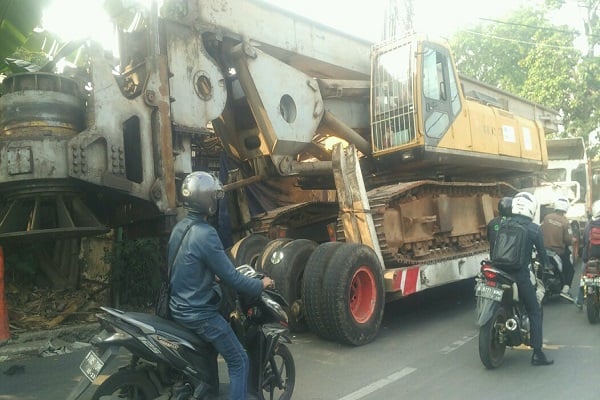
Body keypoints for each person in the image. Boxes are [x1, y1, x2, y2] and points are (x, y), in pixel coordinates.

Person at [168, 171, 274, 400]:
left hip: (177, 307)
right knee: (239, 360)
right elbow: (233, 279)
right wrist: (260, 285)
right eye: (214, 197)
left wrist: (209, 276)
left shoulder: (180, 228)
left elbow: (184, 266)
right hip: (199, 314)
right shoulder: (206, 234)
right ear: (207, 200)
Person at [506, 192, 554, 366]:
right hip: (520, 275)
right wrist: (547, 267)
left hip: (497, 272)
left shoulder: (501, 223)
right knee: (534, 310)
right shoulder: (534, 229)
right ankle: (537, 353)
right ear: (531, 209)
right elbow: (542, 254)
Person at [541, 197, 575, 301]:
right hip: (557, 252)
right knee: (570, 269)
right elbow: (568, 239)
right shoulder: (565, 222)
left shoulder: (547, 217)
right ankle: (565, 289)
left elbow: (540, 229)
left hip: (543, 250)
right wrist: (573, 240)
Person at [576, 200, 600, 308]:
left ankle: (580, 300)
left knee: (583, 277)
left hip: (589, 258)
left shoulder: (589, 225)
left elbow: (585, 241)